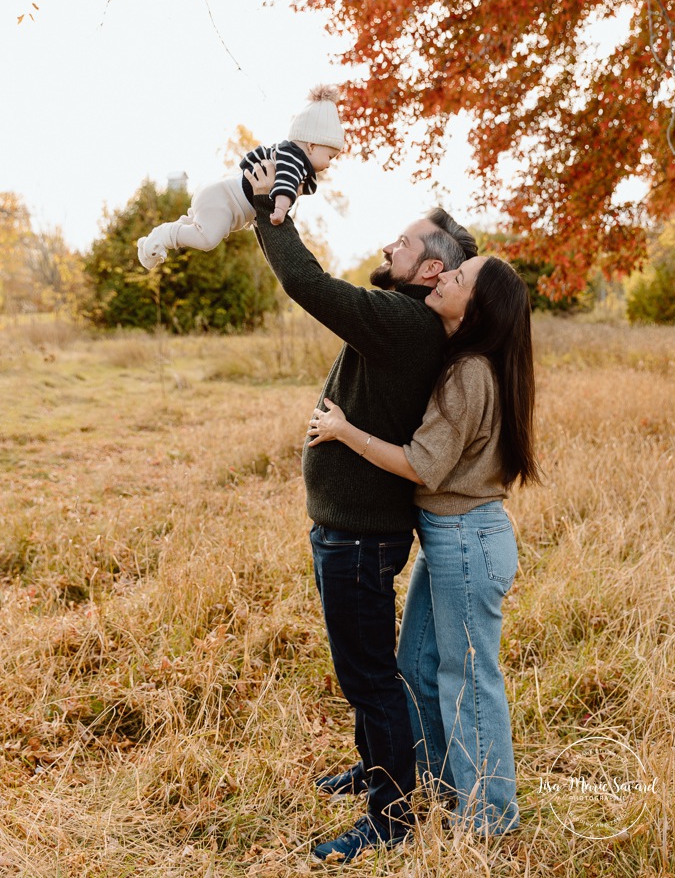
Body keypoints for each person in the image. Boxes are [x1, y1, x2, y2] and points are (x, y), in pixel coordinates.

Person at [245, 160, 477, 862]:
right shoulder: (405, 321)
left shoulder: (404, 323)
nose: (387, 247)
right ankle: (376, 769)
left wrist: (269, 210)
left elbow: (307, 285)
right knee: (364, 669)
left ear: (431, 271)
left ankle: (391, 816)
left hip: (358, 538)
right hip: (350, 531)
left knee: (368, 675)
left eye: (403, 244)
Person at [308, 254, 540, 836]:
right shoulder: (465, 361)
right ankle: (436, 781)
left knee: (469, 679)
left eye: (459, 279)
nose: (445, 279)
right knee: (414, 666)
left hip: (466, 539)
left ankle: (489, 820)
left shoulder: (470, 374)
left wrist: (344, 431)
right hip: (450, 538)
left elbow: (421, 465)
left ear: (476, 307)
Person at [136, 85, 343, 270]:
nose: (329, 163)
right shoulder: (293, 157)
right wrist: (280, 210)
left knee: (195, 227)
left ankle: (148, 246)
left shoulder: (288, 155)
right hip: (223, 200)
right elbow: (285, 186)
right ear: (312, 145)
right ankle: (164, 235)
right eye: (330, 156)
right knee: (207, 239)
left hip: (219, 195)